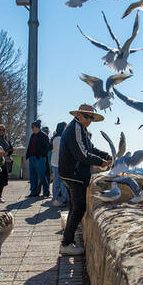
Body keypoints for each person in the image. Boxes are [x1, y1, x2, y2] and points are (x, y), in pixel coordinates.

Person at [59, 104, 111, 255]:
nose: (89, 120)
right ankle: (66, 243)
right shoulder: (75, 129)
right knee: (79, 208)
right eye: (87, 116)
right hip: (73, 175)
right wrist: (101, 162)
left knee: (74, 207)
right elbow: (82, 154)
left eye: (92, 117)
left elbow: (90, 148)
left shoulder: (81, 129)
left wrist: (106, 155)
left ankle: (69, 239)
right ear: (79, 115)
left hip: (71, 174)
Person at [25, 119, 50, 197]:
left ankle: (46, 192)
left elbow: (47, 147)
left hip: (39, 159)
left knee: (42, 176)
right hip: (32, 158)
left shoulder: (44, 136)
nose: (32, 128)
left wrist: (41, 155)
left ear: (37, 127)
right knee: (32, 176)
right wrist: (28, 155)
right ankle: (34, 192)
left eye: (33, 127)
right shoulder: (33, 135)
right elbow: (30, 146)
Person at [0, 124, 14, 202]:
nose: (2, 131)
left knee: (3, 179)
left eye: (3, 130)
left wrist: (8, 154)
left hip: (5, 162)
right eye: (0, 130)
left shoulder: (6, 140)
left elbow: (11, 149)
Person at [50, 122, 69, 207]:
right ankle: (63, 199)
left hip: (55, 162)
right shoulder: (60, 139)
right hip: (60, 163)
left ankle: (56, 198)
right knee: (62, 182)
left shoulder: (54, 138)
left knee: (56, 182)